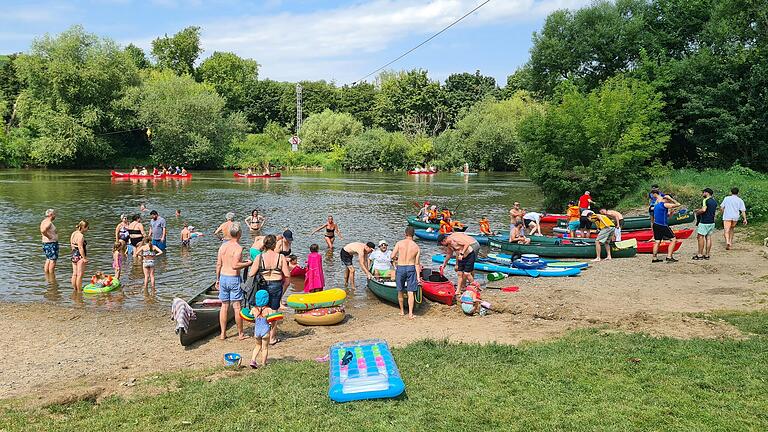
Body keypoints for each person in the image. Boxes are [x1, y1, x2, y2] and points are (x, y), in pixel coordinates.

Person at [249, 234, 290, 345]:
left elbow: (251, 273)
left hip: (263, 285)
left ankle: (261, 333)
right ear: (274, 245)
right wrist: (284, 287)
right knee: (274, 311)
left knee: (262, 309)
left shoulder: (259, 257)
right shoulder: (280, 257)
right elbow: (287, 275)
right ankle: (271, 338)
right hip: (276, 285)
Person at [216, 222, 253, 340]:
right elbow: (235, 265)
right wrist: (248, 263)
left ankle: (223, 334)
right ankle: (240, 334)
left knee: (224, 306)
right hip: (233, 278)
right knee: (237, 306)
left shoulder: (223, 246)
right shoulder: (238, 248)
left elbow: (218, 264)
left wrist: (217, 279)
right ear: (239, 234)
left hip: (223, 277)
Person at [391, 227, 422, 318]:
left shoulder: (399, 243)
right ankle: (411, 314)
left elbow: (392, 256)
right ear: (413, 235)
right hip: (411, 267)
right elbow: (417, 264)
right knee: (410, 291)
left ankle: (401, 311)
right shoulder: (416, 247)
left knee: (400, 290)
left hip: (400, 267)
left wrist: (396, 259)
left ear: (405, 234)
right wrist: (418, 277)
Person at [651, 191, 681, 263]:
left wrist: (671, 213)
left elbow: (667, 216)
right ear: (667, 199)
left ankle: (654, 258)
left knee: (657, 241)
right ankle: (669, 257)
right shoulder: (665, 204)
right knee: (673, 240)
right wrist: (671, 199)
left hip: (656, 224)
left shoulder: (657, 205)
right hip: (663, 225)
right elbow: (678, 204)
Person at [249, 290, 275, 369]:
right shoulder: (269, 310)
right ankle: (263, 364)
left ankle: (253, 360)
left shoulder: (253, 309)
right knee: (265, 348)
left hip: (257, 331)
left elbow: (250, 318)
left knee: (257, 346)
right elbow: (272, 319)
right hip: (265, 331)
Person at [694, 188, 718, 260]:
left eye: (703, 192)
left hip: (704, 222)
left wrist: (697, 212)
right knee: (708, 237)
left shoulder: (705, 200)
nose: (702, 194)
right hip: (712, 222)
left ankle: (700, 254)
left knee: (700, 237)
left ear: (706, 193)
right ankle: (707, 255)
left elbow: (704, 210)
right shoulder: (714, 201)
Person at [70, 220, 89, 290]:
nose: (88, 229)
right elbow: (81, 248)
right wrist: (84, 258)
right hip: (79, 255)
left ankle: (75, 289)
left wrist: (73, 253)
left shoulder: (74, 233)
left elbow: (72, 245)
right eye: (87, 227)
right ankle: (79, 291)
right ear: (83, 227)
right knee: (80, 275)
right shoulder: (81, 236)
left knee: (74, 273)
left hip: (74, 254)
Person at [40, 209, 58, 275]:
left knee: (48, 259)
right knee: (53, 260)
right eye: (54, 214)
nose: (55, 216)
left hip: (46, 243)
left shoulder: (44, 221)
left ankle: (47, 276)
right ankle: (51, 276)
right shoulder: (48, 223)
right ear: (51, 215)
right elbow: (43, 230)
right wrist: (49, 237)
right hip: (51, 243)